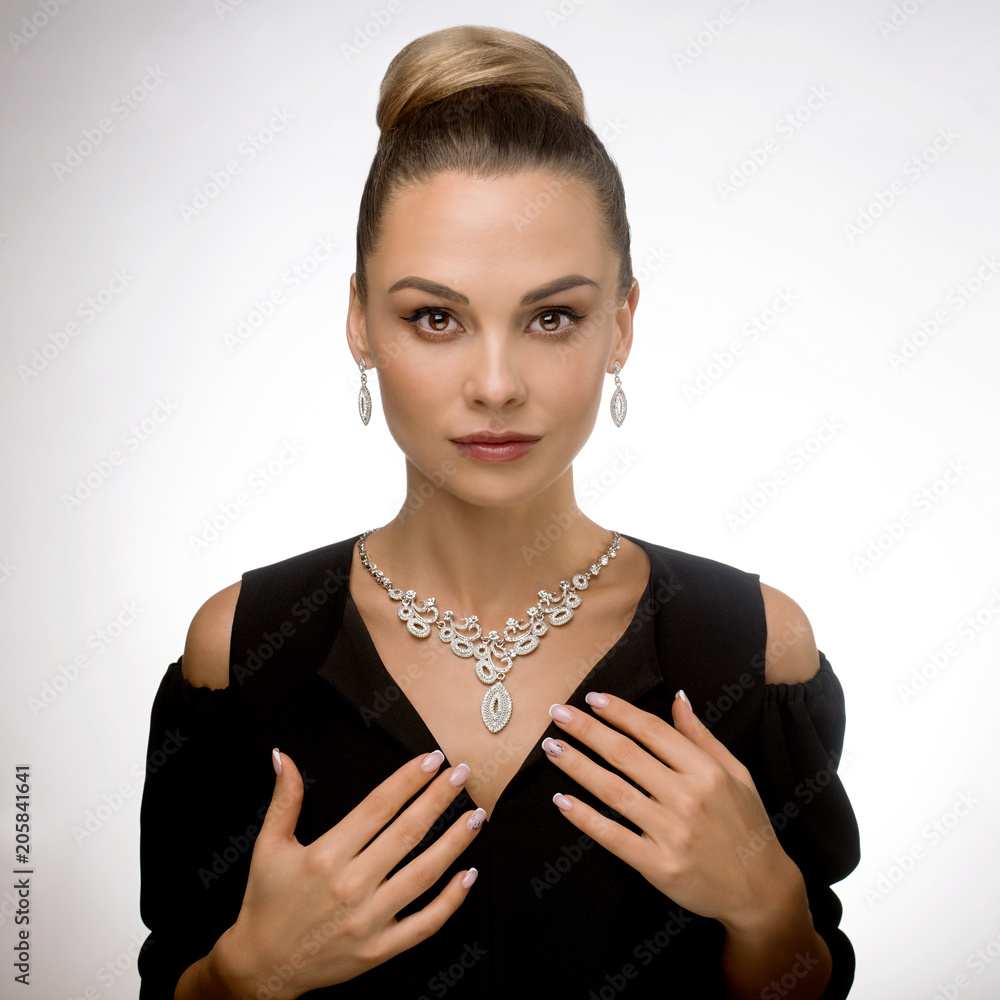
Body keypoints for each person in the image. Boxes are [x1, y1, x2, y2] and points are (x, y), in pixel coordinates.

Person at [138, 24, 860, 1000]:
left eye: (551, 316)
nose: (493, 383)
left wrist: (770, 910)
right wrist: (241, 975)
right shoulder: (242, 650)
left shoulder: (750, 648)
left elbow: (807, 983)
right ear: (359, 321)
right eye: (434, 316)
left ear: (622, 324)